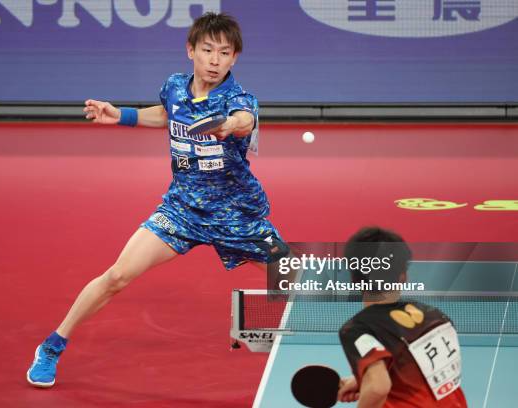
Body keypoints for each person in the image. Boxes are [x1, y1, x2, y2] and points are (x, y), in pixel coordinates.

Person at [26, 12, 289, 388]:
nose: (214, 60)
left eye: (224, 53)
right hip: (181, 209)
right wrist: (121, 116)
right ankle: (52, 346)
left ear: (235, 59)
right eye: (207, 50)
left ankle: (369, 322)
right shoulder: (175, 87)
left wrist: (225, 126)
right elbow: (166, 114)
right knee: (117, 276)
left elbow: (243, 120)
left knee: (299, 278)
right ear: (190, 50)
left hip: (235, 213)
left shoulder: (239, 98)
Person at [337, 227, 467, 407]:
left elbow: (377, 388)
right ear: (403, 277)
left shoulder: (357, 329)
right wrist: (363, 379)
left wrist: (371, 382)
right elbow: (425, 373)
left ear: (354, 279)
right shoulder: (436, 317)